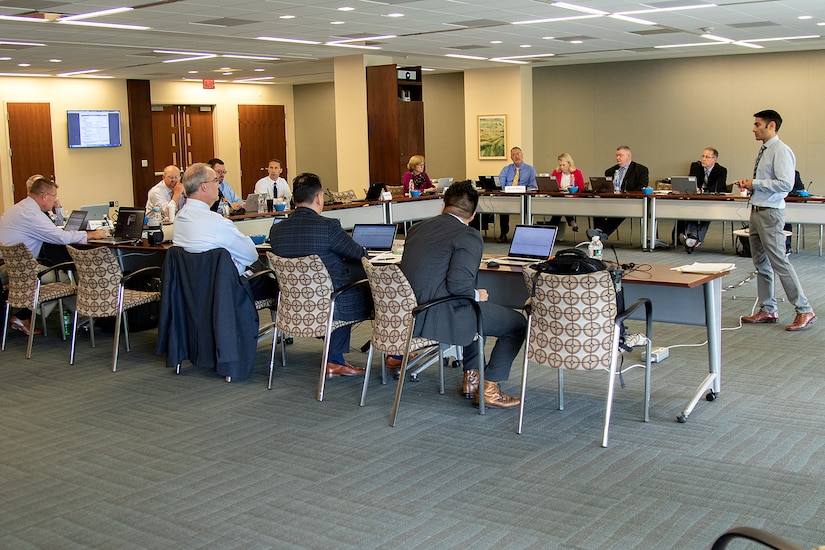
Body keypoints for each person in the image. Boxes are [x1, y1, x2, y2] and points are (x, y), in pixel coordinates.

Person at [400, 180, 527, 408]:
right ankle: (490, 388)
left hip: (409, 314)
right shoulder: (468, 235)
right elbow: (459, 286)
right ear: (474, 213)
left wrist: (474, 296)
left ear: (443, 204)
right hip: (439, 315)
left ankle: (472, 377)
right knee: (516, 323)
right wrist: (477, 294)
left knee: (478, 309)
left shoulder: (417, 229)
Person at [269, 173, 371, 377]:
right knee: (361, 290)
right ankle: (337, 359)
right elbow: (359, 254)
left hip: (294, 305)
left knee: (338, 289)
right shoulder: (328, 226)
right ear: (318, 198)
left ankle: (334, 358)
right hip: (331, 303)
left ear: (293, 199)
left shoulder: (276, 230)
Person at [735, 109, 815, 331]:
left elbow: (785, 185)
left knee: (780, 262)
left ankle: (804, 309)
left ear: (771, 126)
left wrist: (755, 184)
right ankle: (768, 309)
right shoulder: (765, 150)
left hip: (770, 213)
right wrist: (751, 184)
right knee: (760, 263)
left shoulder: (781, 150)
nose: (753, 128)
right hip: (757, 210)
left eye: (758, 124)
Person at [0, 176, 106, 335]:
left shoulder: (19, 208)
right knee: (63, 279)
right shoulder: (32, 214)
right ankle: (82, 316)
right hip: (24, 270)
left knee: (55, 271)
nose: (54, 200)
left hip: (12, 267)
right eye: (54, 196)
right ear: (44, 196)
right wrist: (90, 235)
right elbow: (60, 237)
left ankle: (80, 316)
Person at [172, 163, 277, 301]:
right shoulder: (217, 222)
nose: (218, 185)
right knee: (275, 285)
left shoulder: (179, 218)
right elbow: (251, 255)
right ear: (204, 186)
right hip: (224, 292)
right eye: (215, 181)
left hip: (191, 293)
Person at [587, 145, 648, 241]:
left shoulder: (641, 170)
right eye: (617, 155)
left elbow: (641, 187)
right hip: (611, 199)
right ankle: (599, 231)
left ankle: (601, 232)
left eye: (621, 155)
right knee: (597, 205)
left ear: (629, 156)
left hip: (629, 201)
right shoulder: (610, 171)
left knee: (620, 210)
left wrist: (626, 194)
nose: (618, 158)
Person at [676, 148, 728, 253]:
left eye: (707, 157)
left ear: (715, 159)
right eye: (703, 156)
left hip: (713, 201)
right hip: (696, 199)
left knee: (707, 213)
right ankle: (694, 239)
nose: (704, 159)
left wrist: (703, 190)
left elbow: (719, 186)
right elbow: (690, 184)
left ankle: (692, 238)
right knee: (691, 209)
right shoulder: (696, 168)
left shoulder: (721, 170)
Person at [497, 146, 537, 243]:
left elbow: (533, 186)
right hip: (509, 197)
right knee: (503, 208)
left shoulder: (530, 169)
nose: (516, 157)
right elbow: (501, 183)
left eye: (518, 154)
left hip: (524, 197)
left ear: (522, 155)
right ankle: (503, 233)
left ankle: (526, 234)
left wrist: (523, 190)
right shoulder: (506, 169)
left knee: (528, 207)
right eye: (513, 155)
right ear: (511, 158)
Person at [549, 152, 583, 233]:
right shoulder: (556, 172)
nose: (561, 167)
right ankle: (571, 221)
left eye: (564, 165)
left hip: (572, 198)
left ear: (569, 163)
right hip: (559, 198)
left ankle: (551, 228)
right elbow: (552, 186)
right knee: (561, 202)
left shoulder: (577, 173)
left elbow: (581, 187)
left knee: (561, 205)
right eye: (560, 165)